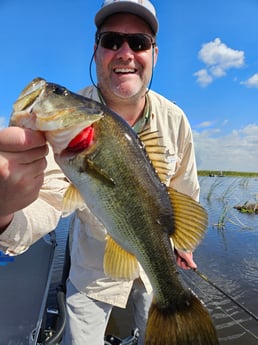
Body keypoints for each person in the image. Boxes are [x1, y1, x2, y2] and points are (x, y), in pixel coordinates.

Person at [0, 1, 200, 344]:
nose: (125, 52)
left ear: (154, 53)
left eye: (138, 43)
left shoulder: (175, 119)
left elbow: (185, 192)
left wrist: (184, 245)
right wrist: (3, 208)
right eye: (111, 41)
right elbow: (47, 203)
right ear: (96, 51)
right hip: (93, 275)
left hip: (155, 274)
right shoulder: (63, 128)